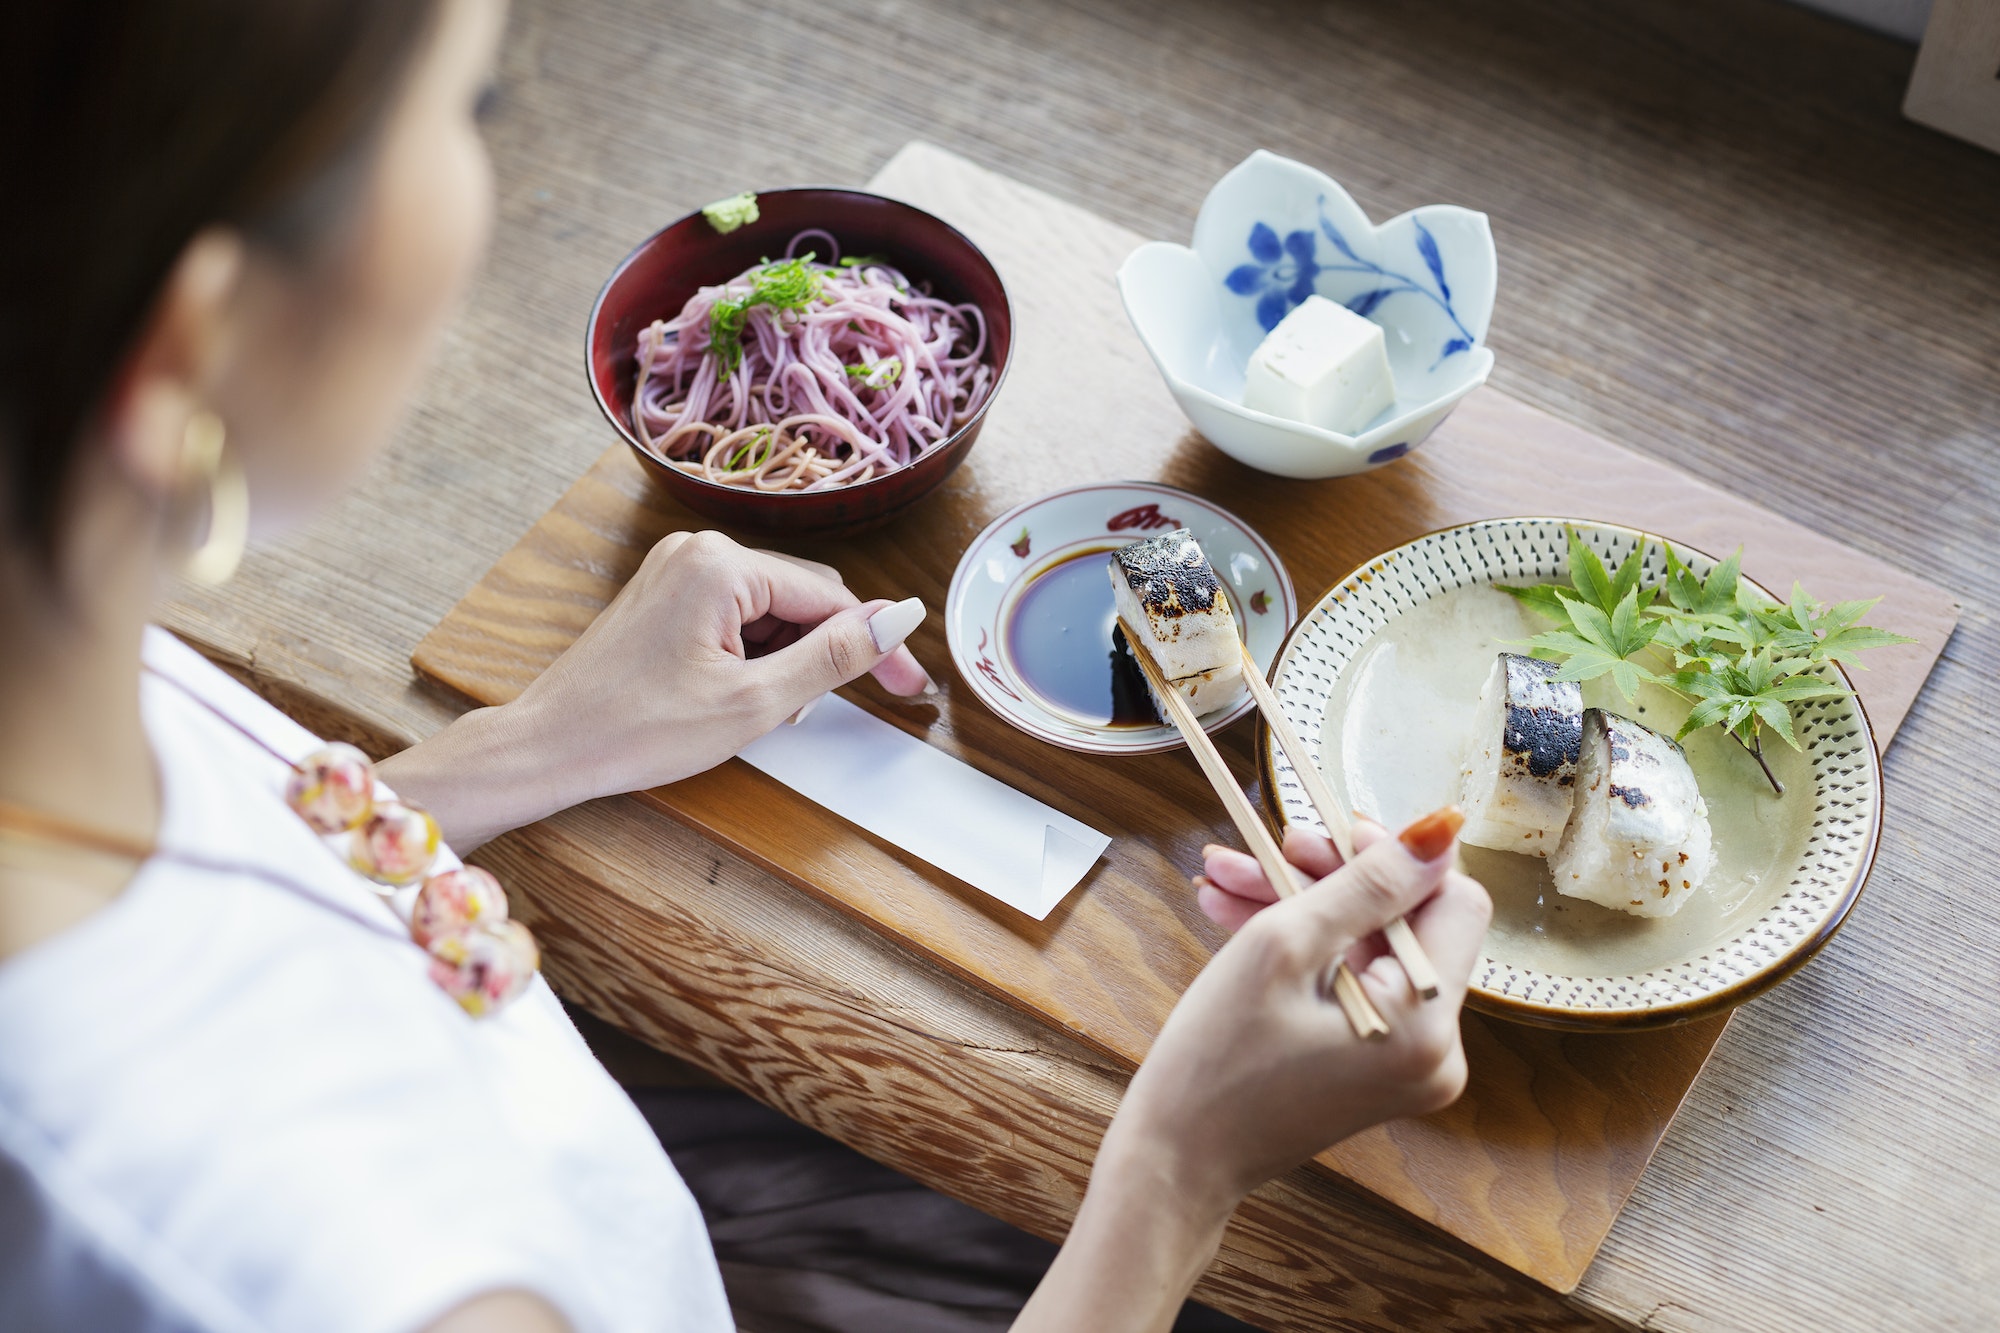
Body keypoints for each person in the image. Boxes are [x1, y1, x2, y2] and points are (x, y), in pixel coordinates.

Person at [0, 1, 1493, 1330]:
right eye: (471, 110)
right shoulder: (368, 1275)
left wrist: (534, 741)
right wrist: (1179, 1168)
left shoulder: (52, 671)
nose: (490, 188)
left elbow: (213, 900)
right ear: (190, 351)